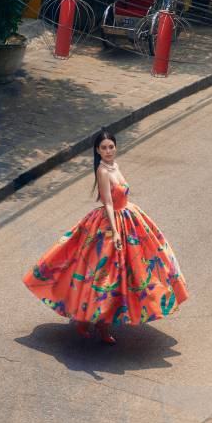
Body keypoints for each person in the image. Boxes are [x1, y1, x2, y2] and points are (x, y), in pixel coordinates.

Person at [22, 130, 188, 344]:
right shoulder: (102, 171)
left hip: (130, 217)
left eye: (111, 147)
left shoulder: (115, 166)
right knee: (104, 275)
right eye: (104, 148)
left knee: (136, 269)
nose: (108, 151)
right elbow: (108, 203)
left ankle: (96, 320)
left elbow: (122, 196)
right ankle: (94, 321)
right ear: (97, 151)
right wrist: (115, 232)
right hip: (111, 224)